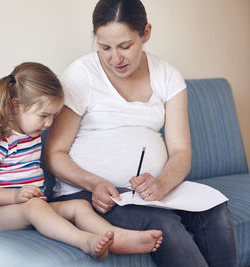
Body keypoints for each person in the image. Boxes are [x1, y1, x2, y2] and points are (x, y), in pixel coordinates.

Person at [43, 0, 237, 266]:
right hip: (90, 195)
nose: (114, 58)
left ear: (145, 33)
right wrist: (93, 183)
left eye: (125, 46)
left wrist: (162, 183)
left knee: (214, 210)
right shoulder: (81, 74)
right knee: (161, 223)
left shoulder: (168, 76)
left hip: (149, 195)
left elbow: (181, 151)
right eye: (104, 47)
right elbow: (54, 153)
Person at [0, 62, 163, 262]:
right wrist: (15, 196)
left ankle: (118, 237)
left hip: (34, 208)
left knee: (79, 206)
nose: (49, 123)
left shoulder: (31, 135)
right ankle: (85, 241)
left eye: (53, 116)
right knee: (34, 207)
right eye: (44, 116)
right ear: (16, 106)